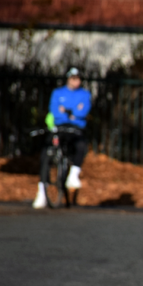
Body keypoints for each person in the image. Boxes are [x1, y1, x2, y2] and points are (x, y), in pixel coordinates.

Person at [32, 67, 91, 209]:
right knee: (46, 153)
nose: (75, 81)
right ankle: (42, 191)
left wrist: (67, 110)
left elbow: (82, 111)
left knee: (81, 146)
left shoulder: (84, 94)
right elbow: (55, 111)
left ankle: (73, 175)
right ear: (68, 79)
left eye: (78, 78)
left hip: (76, 128)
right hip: (60, 127)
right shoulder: (58, 93)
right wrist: (72, 112)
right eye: (73, 78)